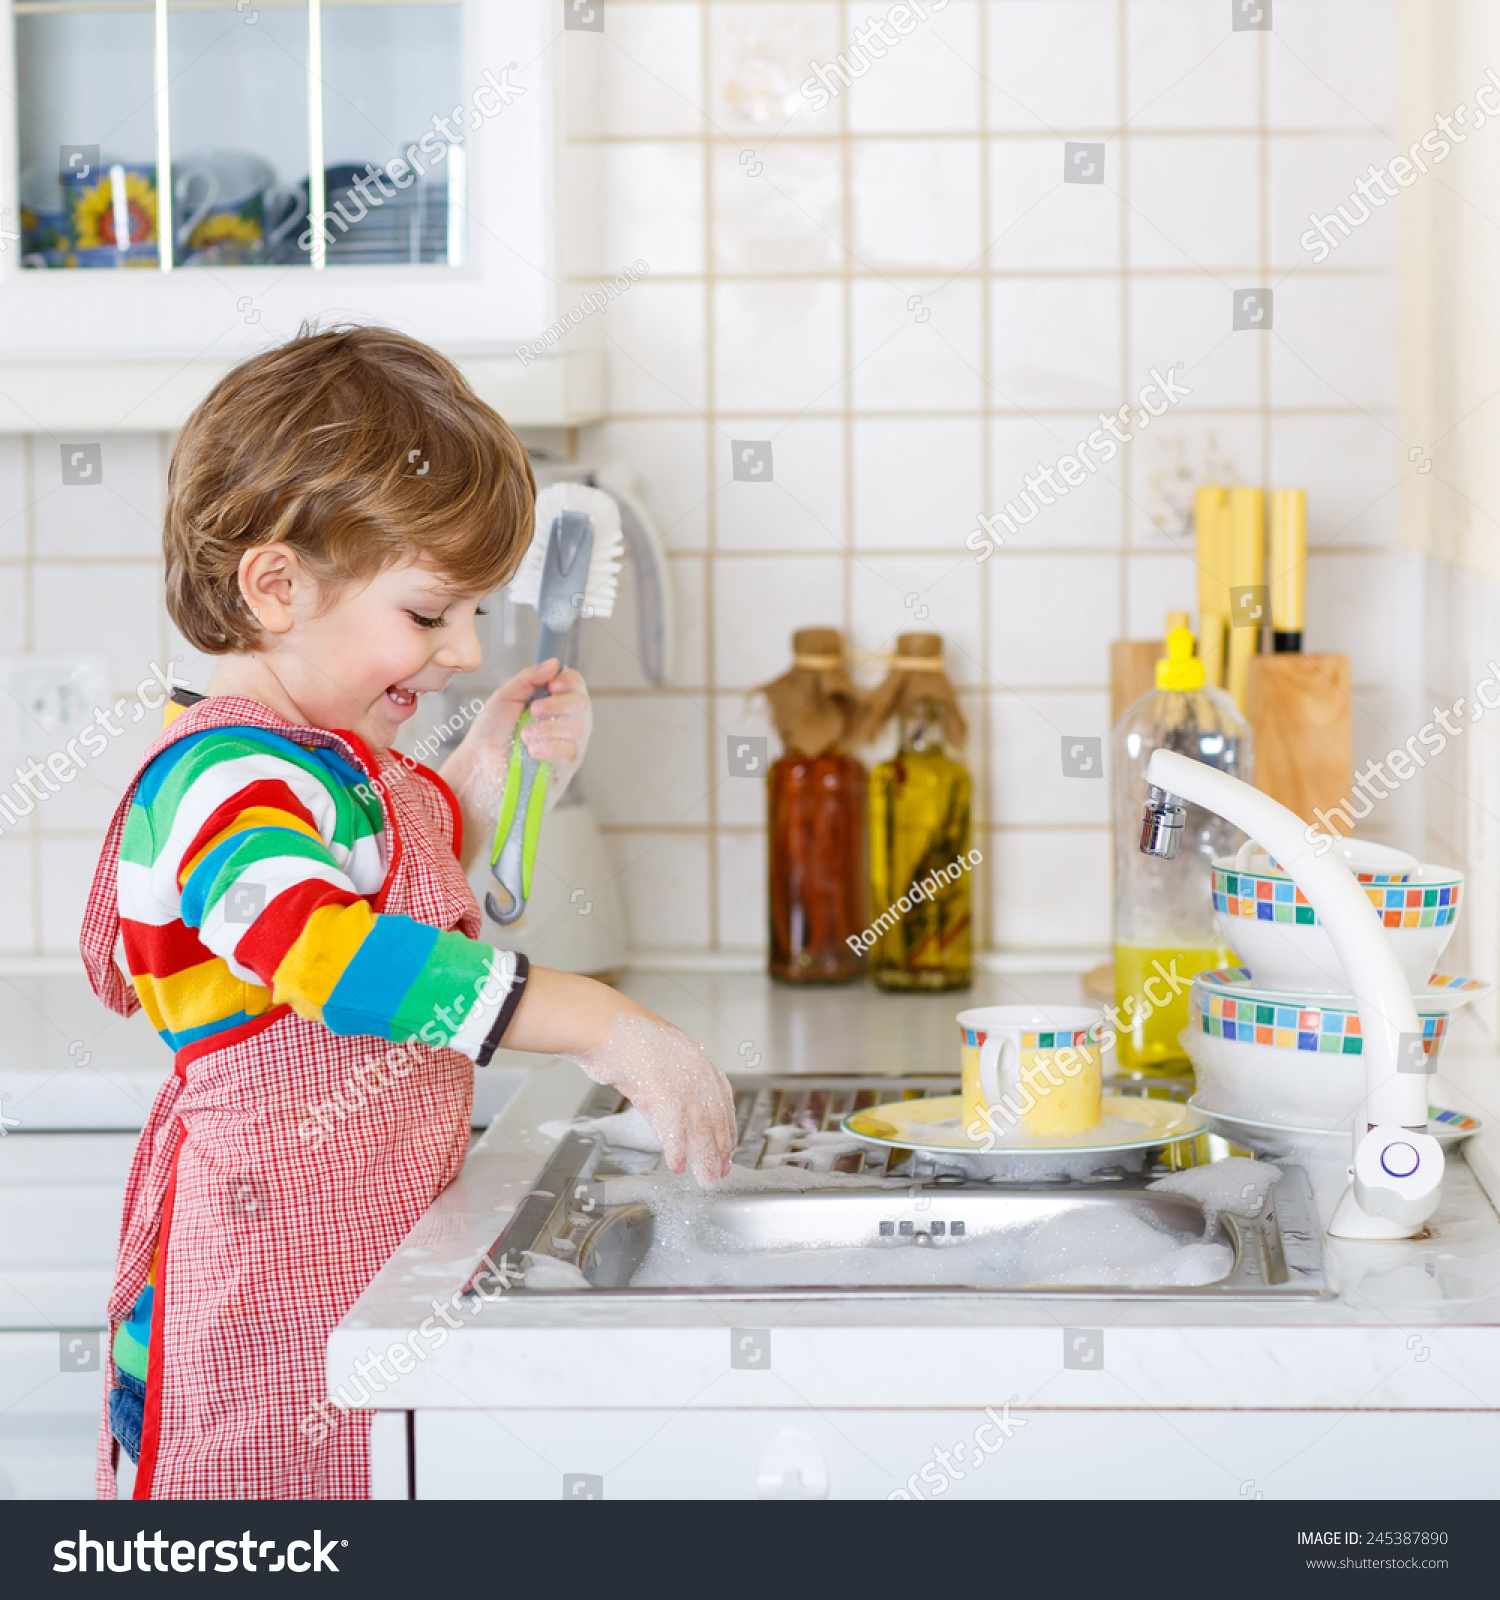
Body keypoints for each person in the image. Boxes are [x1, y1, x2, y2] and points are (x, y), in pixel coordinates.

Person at [79, 325, 736, 1500]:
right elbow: (337, 960)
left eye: (475, 613)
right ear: (277, 588)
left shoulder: (319, 764)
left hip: (352, 1265)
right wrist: (597, 1020)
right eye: (432, 614)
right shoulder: (222, 783)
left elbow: (398, 852)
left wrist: (496, 766)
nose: (466, 648)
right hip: (268, 1295)